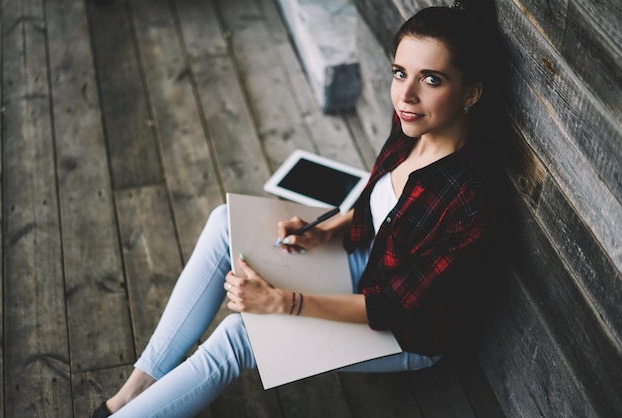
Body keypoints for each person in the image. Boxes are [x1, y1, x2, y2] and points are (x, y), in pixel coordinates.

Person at [92, 0, 505, 416]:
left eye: (431, 79)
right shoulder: (410, 124)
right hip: (365, 257)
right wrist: (328, 230)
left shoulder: (469, 202)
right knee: (223, 223)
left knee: (241, 335)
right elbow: (381, 206)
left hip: (404, 330)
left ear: (470, 92)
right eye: (400, 73)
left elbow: (393, 307)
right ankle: (133, 392)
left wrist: (283, 302)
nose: (406, 93)